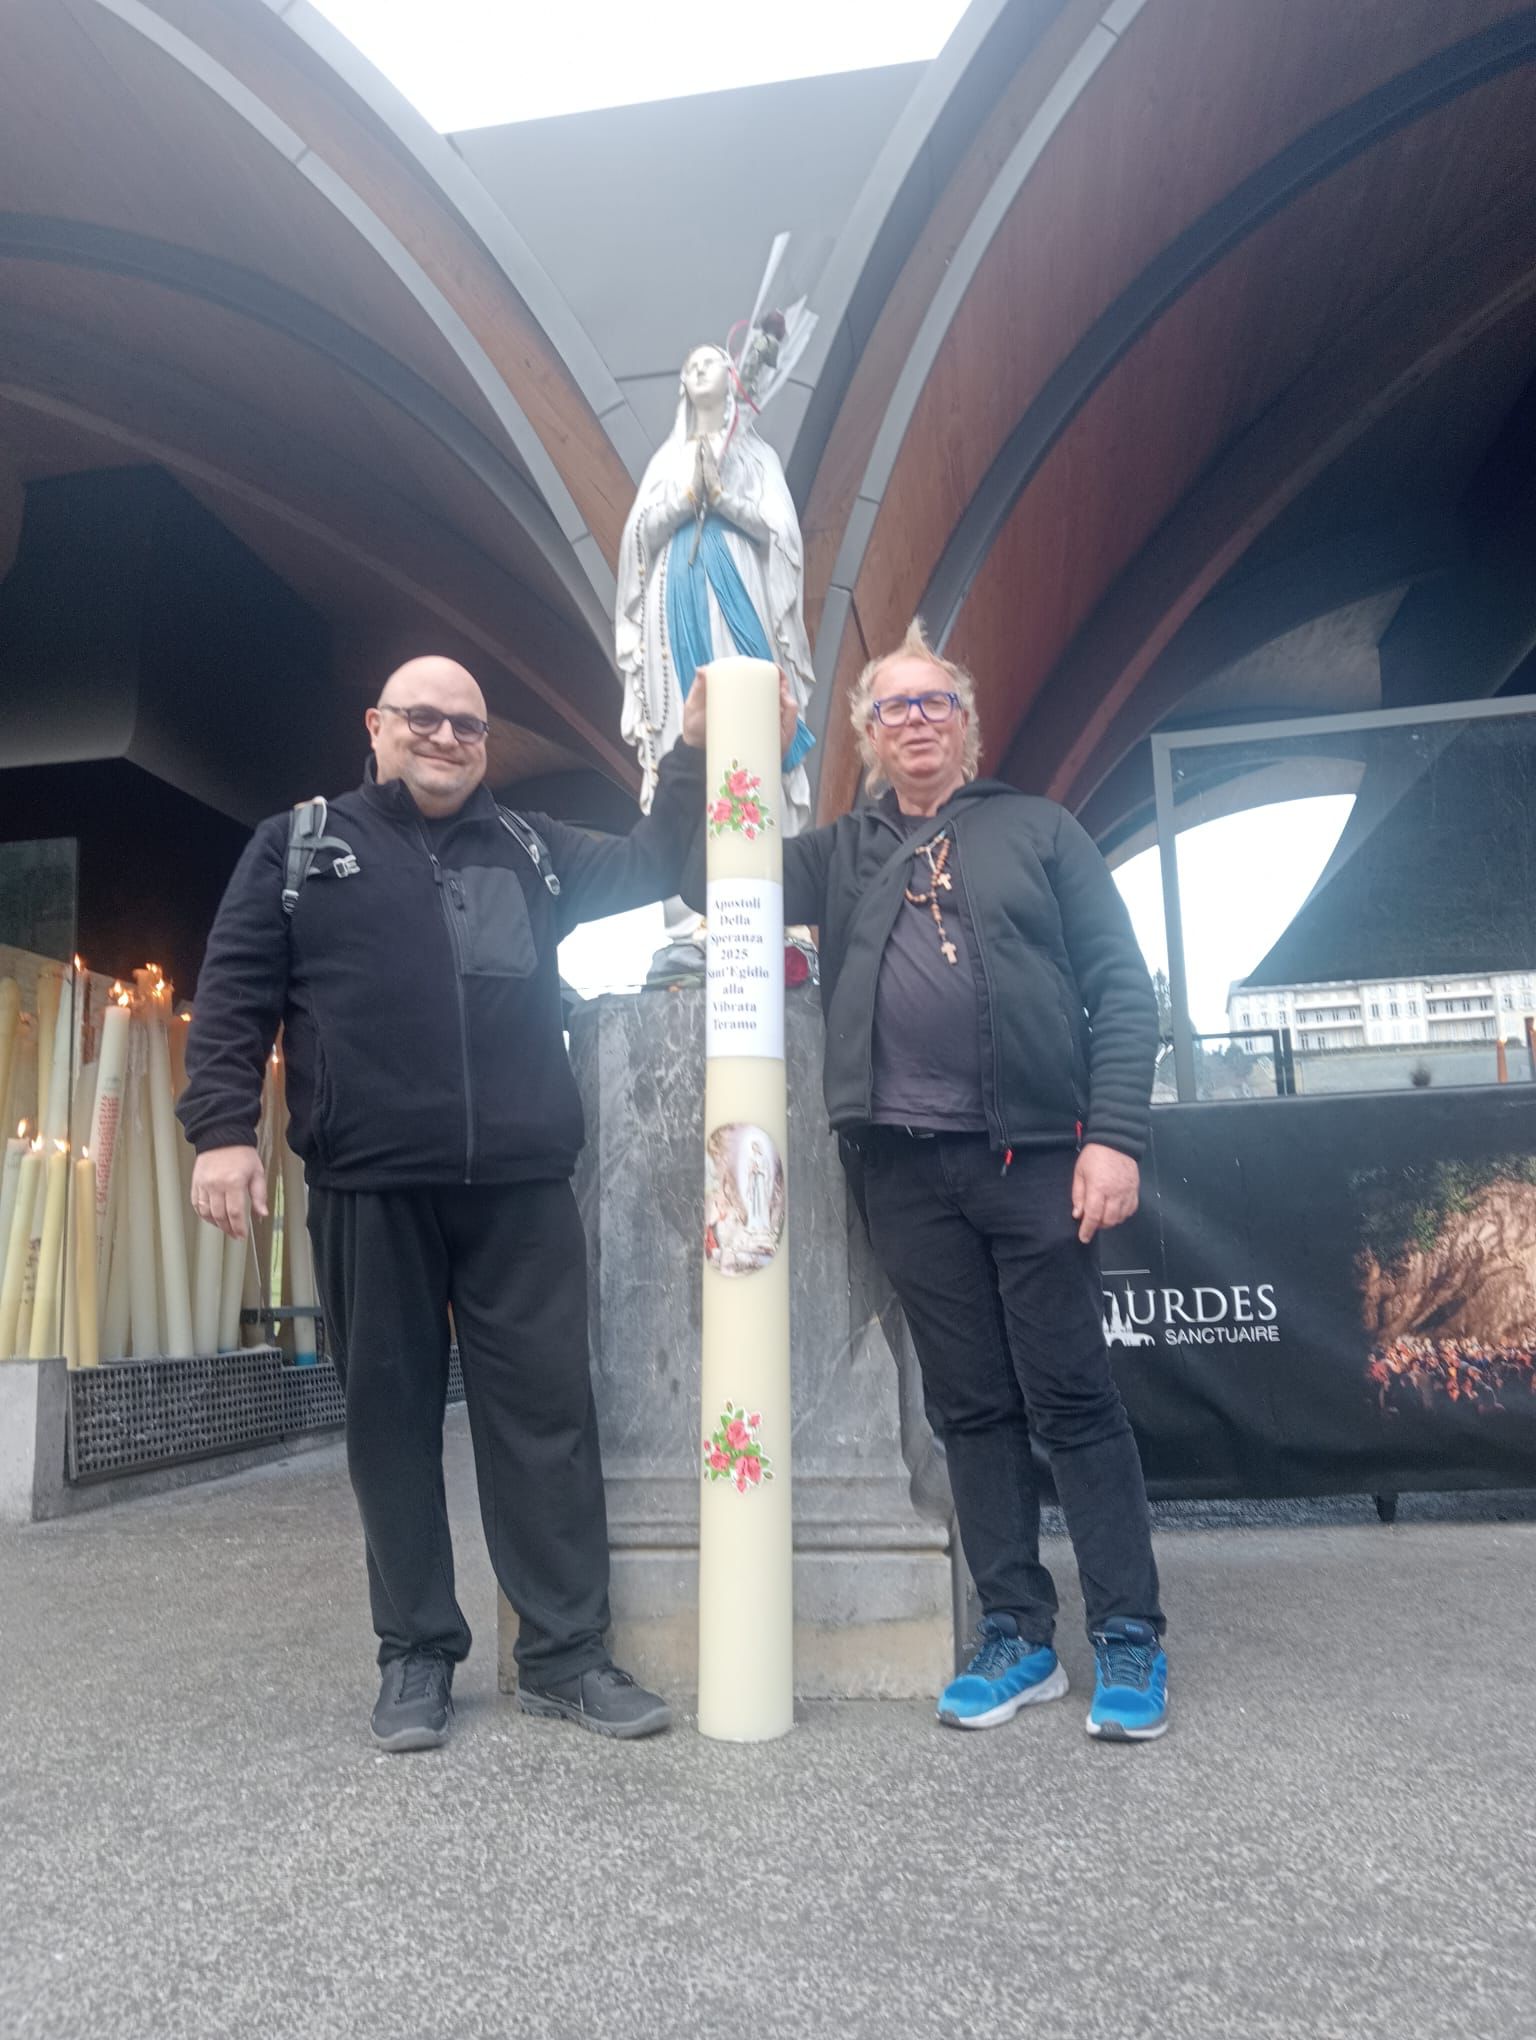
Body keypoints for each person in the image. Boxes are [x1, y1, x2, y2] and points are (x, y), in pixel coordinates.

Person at [180, 655, 788, 1753]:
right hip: (371, 1183)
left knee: (548, 1420)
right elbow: (231, 995)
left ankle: (565, 1656)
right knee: (390, 1424)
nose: (446, 737)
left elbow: (654, 860)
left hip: (519, 1187)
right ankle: (415, 1654)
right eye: (423, 718)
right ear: (376, 725)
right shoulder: (300, 848)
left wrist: (693, 749)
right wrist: (222, 1130)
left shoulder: (531, 847)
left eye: (468, 725)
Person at [690, 620, 1169, 1740]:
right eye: (893, 706)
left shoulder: (1040, 831)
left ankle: (1128, 1635)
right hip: (903, 1169)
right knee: (968, 1407)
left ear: (966, 723)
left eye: (934, 702)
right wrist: (707, 750)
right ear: (866, 733)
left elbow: (1121, 985)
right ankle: (1017, 1634)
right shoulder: (840, 854)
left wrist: (1115, 1137)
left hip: (1034, 1158)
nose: (915, 720)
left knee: (1072, 1398)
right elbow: (711, 871)